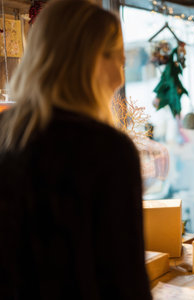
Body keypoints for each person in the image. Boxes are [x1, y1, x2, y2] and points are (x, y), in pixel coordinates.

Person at [0, 1, 151, 299]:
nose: (121, 76)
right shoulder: (107, 149)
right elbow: (125, 279)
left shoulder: (5, 130)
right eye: (118, 60)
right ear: (90, 61)